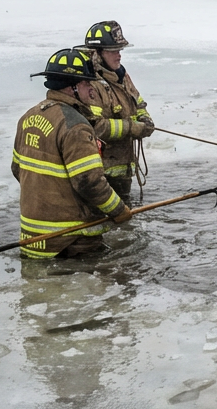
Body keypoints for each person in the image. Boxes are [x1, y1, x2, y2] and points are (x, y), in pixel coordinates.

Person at [11, 48, 132, 258]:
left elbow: (16, 169)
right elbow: (90, 183)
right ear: (72, 87)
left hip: (33, 239)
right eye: (86, 84)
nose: (91, 91)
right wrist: (120, 211)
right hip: (72, 241)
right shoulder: (76, 126)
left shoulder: (27, 118)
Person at [80, 20, 154, 206]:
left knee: (123, 219)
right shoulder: (88, 84)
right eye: (113, 51)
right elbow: (95, 127)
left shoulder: (121, 75)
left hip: (123, 169)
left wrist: (145, 119)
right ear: (97, 54)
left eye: (119, 50)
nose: (119, 55)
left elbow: (137, 101)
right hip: (100, 174)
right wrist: (133, 128)